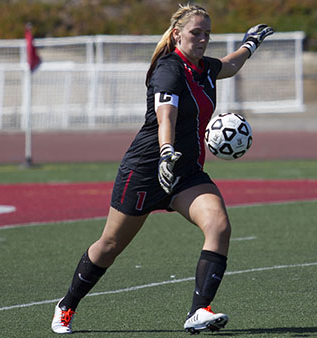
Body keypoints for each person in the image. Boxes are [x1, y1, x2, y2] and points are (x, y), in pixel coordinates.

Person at [51, 4, 273, 334]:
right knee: (110, 245)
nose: (203, 39)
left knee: (219, 226)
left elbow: (229, 65)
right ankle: (67, 305)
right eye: (196, 33)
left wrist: (250, 44)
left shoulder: (204, 68)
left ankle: (199, 311)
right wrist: (167, 151)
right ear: (176, 34)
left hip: (185, 174)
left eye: (207, 34)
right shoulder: (169, 69)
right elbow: (166, 117)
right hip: (145, 170)